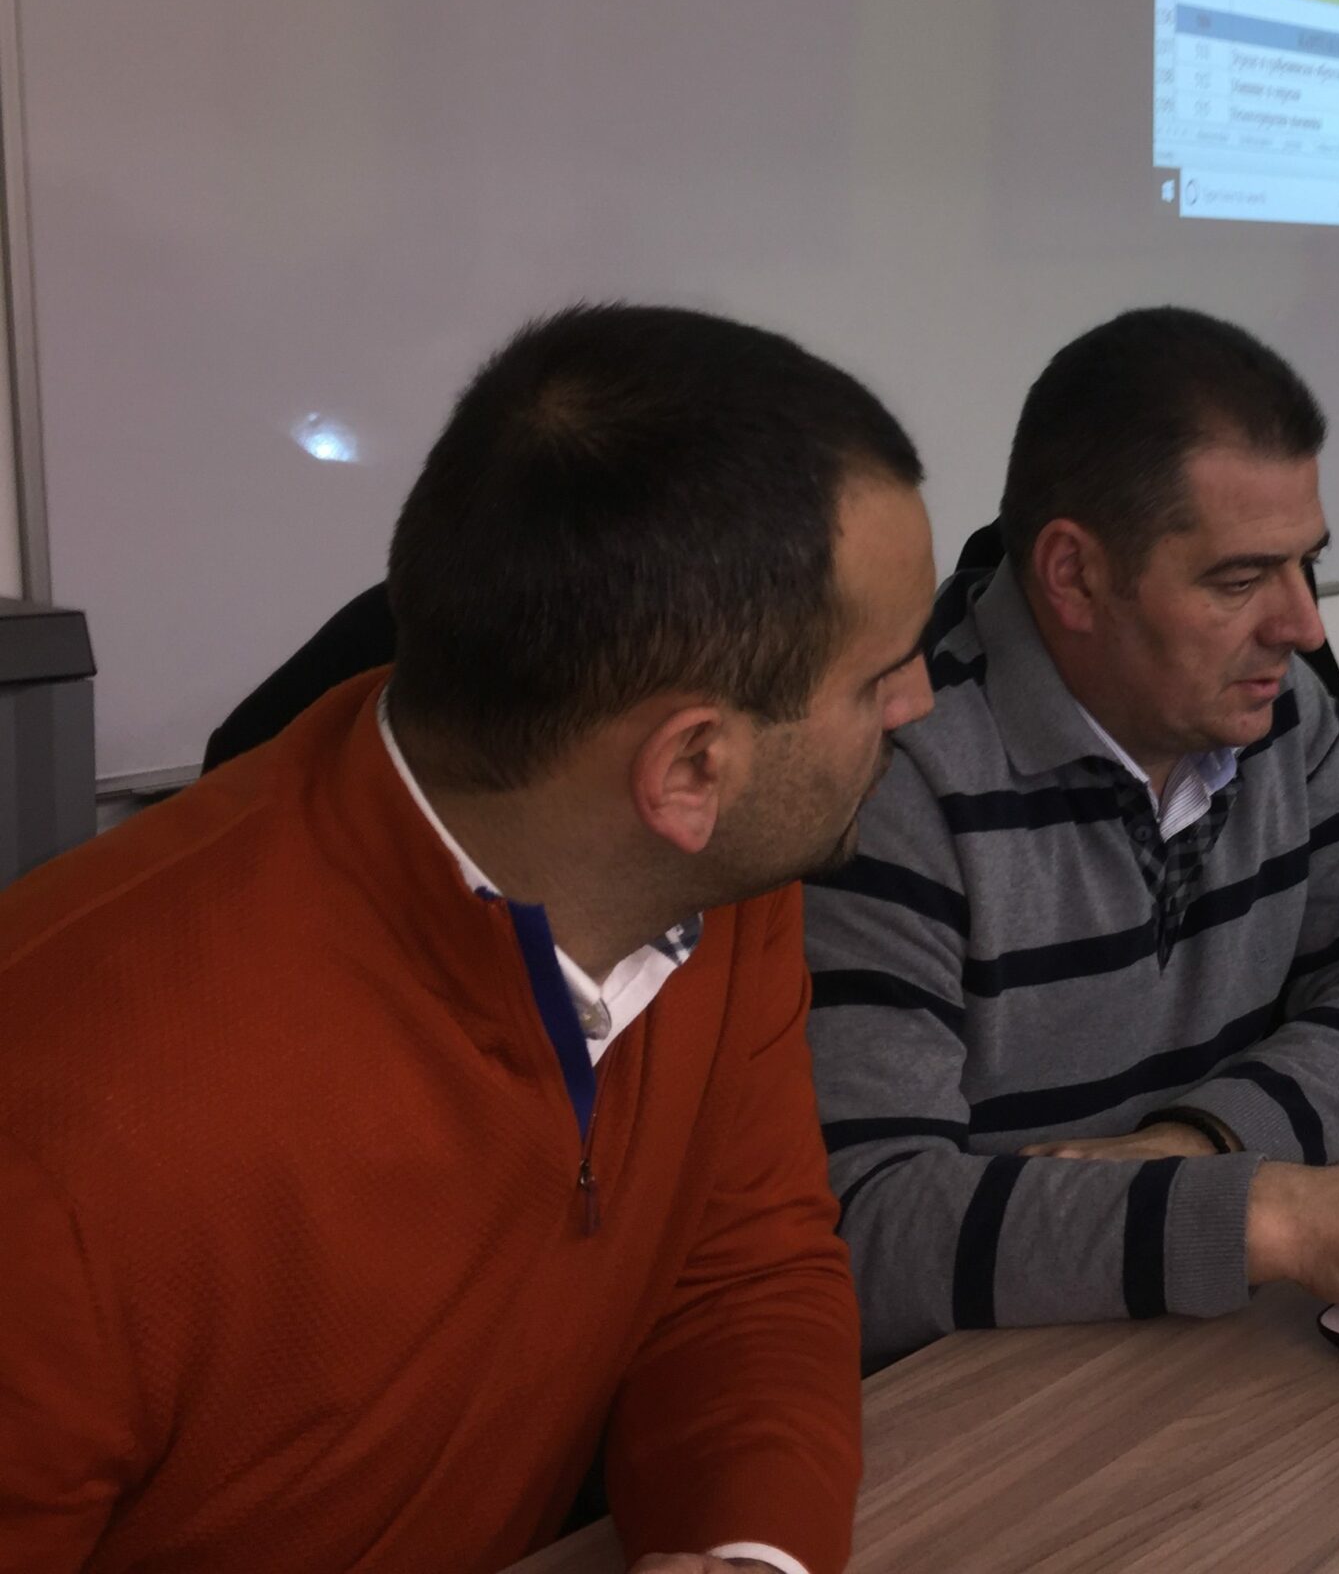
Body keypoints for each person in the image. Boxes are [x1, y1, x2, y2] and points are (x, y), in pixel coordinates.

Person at [0, 305, 936, 1574]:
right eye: (879, 677)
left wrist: (750, 1552)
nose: (919, 702)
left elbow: (741, 1274)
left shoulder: (720, 880)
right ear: (689, 769)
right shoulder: (57, 1127)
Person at [807, 307, 1339, 1368]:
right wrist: (1271, 1212)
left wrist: (1203, 1143)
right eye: (1240, 581)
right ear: (1073, 575)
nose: (1303, 627)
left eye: (1306, 566)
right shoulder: (891, 773)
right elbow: (867, 1231)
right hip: (985, 1388)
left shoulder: (1278, 713)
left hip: (1193, 1341)